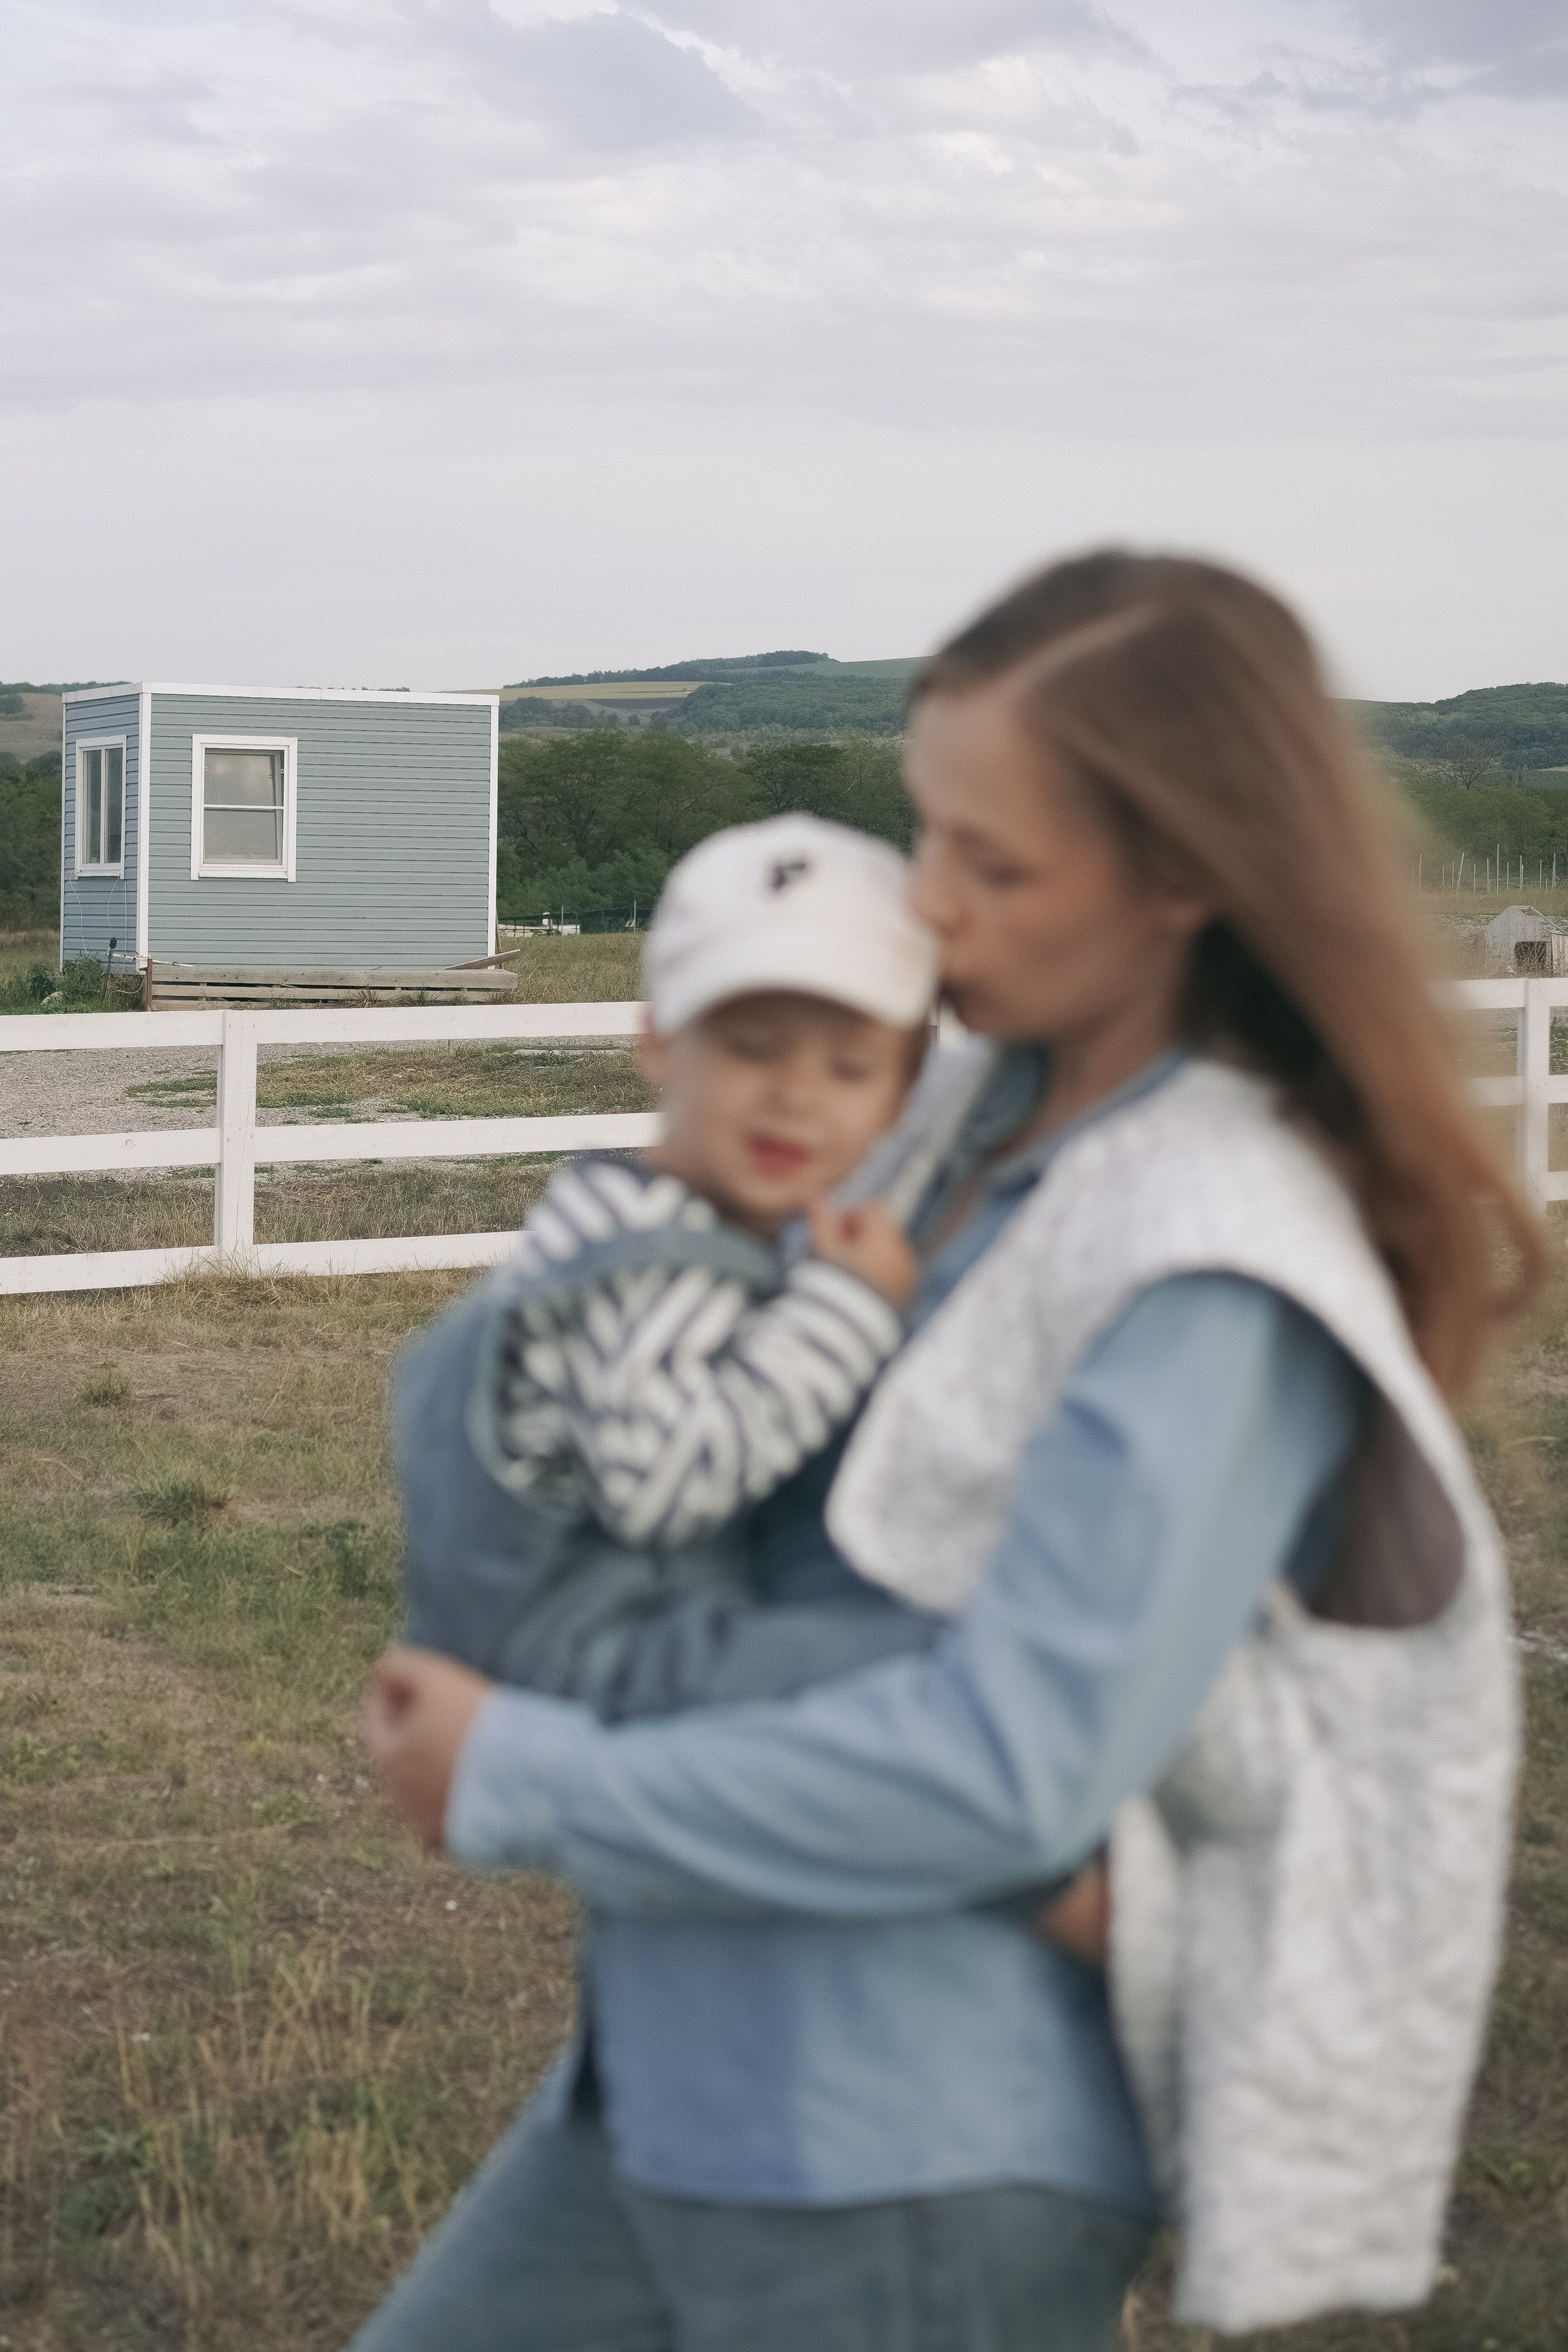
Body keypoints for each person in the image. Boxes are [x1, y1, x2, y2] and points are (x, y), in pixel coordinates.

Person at [358, 550, 1537, 2352]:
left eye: (991, 864)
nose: (931, 907)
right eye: (928, 835)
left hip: (902, 2132)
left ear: (1184, 878)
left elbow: (1011, 1771)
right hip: (679, 2058)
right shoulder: (950, 1116)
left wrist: (524, 1772)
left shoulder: (1212, 1249)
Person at [397, 812, 948, 1717]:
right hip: (606, 1653)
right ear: (659, 1043)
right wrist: (846, 1308)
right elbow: (666, 1488)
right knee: (941, 1662)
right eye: (751, 1048)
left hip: (588, 1630)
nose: (795, 1097)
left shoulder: (629, 1209)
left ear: (901, 1098)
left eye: (849, 1068)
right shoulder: (646, 1256)